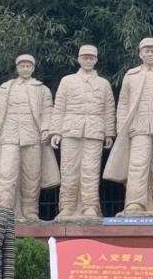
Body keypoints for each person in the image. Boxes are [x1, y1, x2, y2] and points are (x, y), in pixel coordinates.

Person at [103, 37, 153, 216]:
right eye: (146, 50)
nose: (150, 53)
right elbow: (123, 104)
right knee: (137, 165)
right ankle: (134, 203)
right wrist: (122, 129)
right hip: (138, 128)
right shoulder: (131, 75)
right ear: (140, 53)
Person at [0, 54, 59, 221]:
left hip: (32, 136)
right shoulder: (4, 89)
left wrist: (46, 129)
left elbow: (48, 111)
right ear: (17, 68)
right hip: (8, 136)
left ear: (33, 68)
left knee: (31, 176)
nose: (25, 69)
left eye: (28, 66)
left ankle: (30, 212)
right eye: (22, 66)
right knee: (6, 174)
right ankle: (4, 210)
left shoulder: (42, 89)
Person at [49, 44, 116, 219]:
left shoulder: (103, 84)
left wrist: (109, 133)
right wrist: (55, 131)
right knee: (68, 169)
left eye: (91, 58)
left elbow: (109, 110)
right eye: (85, 57)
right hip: (70, 130)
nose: (88, 60)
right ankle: (67, 207)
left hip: (94, 131)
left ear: (96, 60)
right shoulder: (67, 81)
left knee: (91, 170)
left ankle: (90, 207)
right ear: (79, 59)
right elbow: (59, 107)